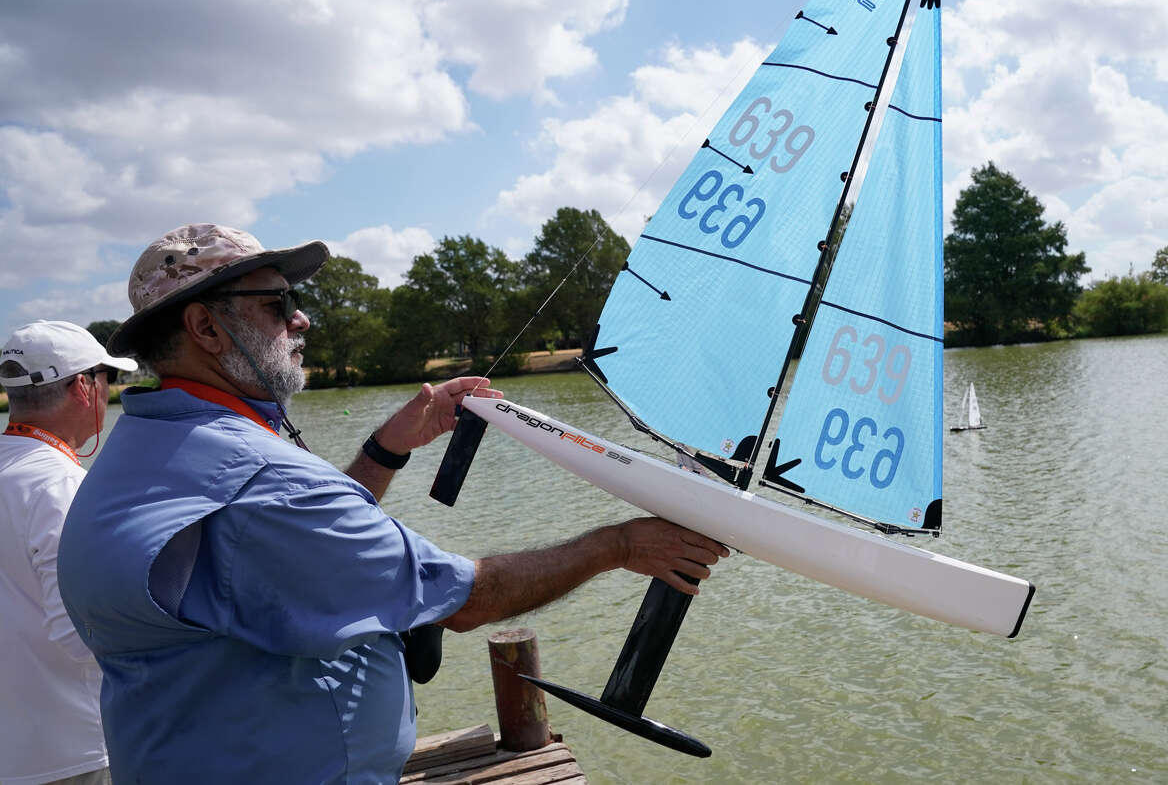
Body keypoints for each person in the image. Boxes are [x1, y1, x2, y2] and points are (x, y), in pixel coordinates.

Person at [57, 224, 727, 783]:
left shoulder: (143, 447)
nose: (301, 317)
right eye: (277, 301)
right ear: (204, 327)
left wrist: (385, 448)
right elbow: (469, 600)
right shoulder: (262, 481)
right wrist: (622, 545)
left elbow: (279, 553)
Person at [1, 320, 137, 785]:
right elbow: (84, 637)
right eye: (109, 378)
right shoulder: (61, 485)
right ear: (84, 386)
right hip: (71, 750)